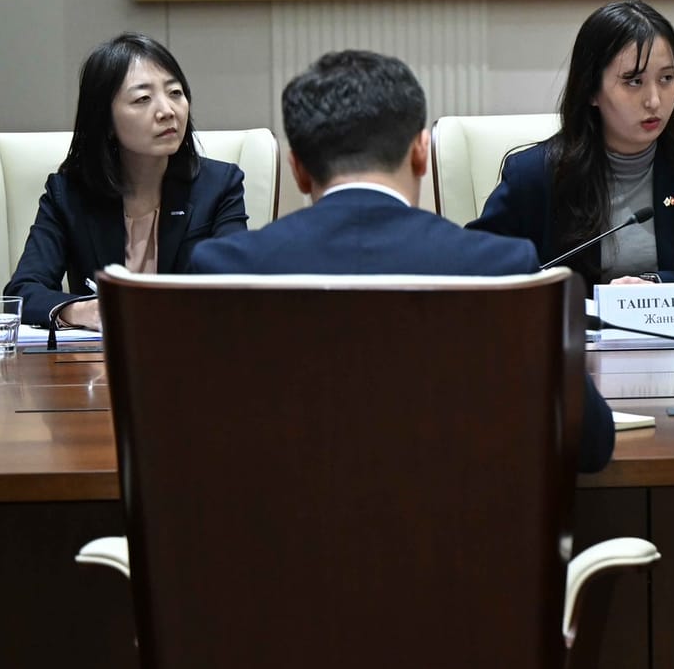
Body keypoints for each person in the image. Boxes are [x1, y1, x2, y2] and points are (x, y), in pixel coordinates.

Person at [187, 50, 614, 472]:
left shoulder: (221, 269)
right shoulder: (501, 267)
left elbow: (185, 436)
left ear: (297, 168)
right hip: (458, 516)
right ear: (420, 153)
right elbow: (591, 442)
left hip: (277, 516)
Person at [471, 0, 674, 303]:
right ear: (591, 90)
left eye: (666, 78)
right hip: (576, 332)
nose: (654, 100)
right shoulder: (536, 175)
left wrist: (657, 288)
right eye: (634, 81)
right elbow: (476, 269)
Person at [6, 33, 247, 329]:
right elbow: (23, 291)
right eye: (143, 98)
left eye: (175, 92)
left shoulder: (220, 185)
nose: (167, 111)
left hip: (191, 348)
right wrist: (83, 311)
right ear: (105, 120)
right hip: (99, 356)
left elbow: (235, 285)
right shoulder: (68, 194)